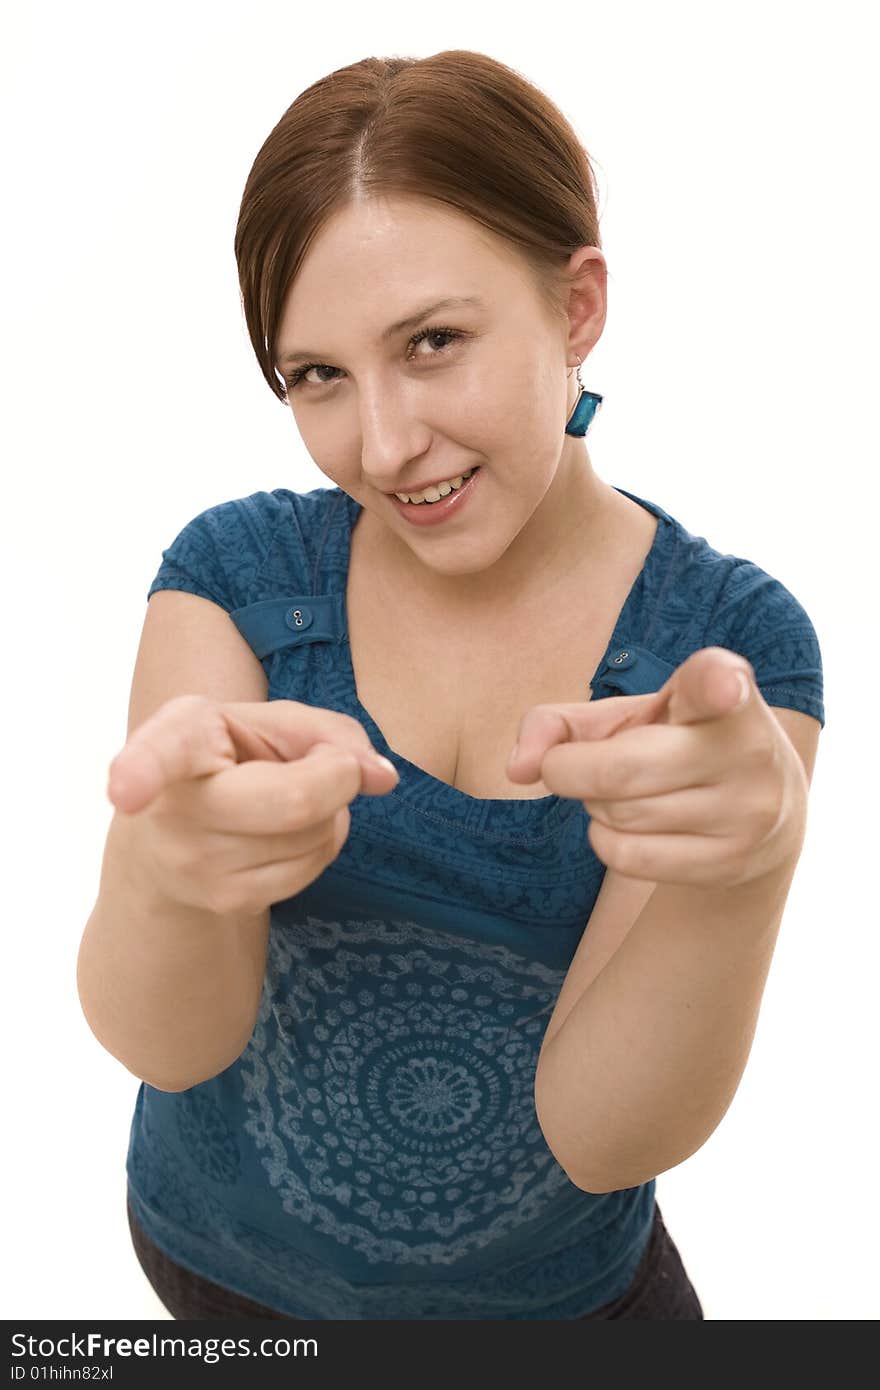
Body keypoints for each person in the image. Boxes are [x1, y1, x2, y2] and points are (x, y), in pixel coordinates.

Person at [76, 49, 824, 1321]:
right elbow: (169, 1041)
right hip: (217, 1276)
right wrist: (164, 873)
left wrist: (743, 871)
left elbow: (605, 1136)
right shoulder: (234, 581)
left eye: (432, 341)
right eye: (315, 375)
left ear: (577, 304)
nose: (381, 443)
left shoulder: (725, 648)